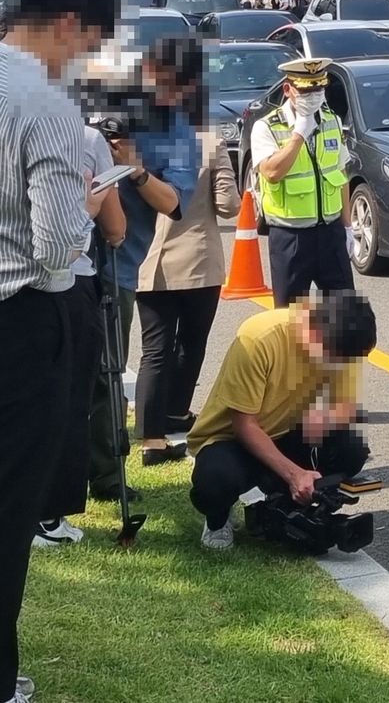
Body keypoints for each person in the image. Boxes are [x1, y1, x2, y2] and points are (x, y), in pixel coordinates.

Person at [0, 0, 119, 699]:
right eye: (91, 42)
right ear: (71, 22)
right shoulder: (45, 105)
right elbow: (55, 247)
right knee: (10, 513)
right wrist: (83, 202)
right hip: (20, 325)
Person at [89, 34, 202, 502]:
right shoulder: (92, 103)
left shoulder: (178, 133)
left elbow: (174, 203)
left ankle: (106, 477)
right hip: (57, 258)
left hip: (117, 266)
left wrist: (135, 170)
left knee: (107, 372)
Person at [188, 290, 376, 549]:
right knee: (216, 482)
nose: (340, 366)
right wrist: (294, 474)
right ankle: (217, 520)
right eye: (336, 358)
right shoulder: (259, 338)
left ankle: (288, 507)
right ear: (314, 333)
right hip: (232, 438)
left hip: (286, 432)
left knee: (350, 448)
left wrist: (323, 480)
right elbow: (244, 425)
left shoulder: (340, 346)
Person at [33, 124, 127, 548]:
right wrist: (90, 209)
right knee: (68, 402)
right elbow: (115, 229)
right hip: (65, 283)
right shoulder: (84, 140)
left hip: (11, 285)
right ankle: (47, 517)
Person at [134, 131, 240, 466]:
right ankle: (177, 412)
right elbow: (228, 205)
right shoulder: (209, 141)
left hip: (148, 259)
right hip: (198, 260)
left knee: (154, 349)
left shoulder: (134, 140)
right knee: (192, 343)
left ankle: (151, 439)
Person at [252, 57, 355, 308]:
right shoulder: (266, 127)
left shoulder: (331, 120)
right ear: (288, 90)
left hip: (330, 232)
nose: (314, 95)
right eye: (306, 90)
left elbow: (339, 174)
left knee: (346, 317)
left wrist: (348, 227)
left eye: (319, 88)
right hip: (291, 236)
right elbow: (271, 172)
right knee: (290, 319)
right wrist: (298, 134)